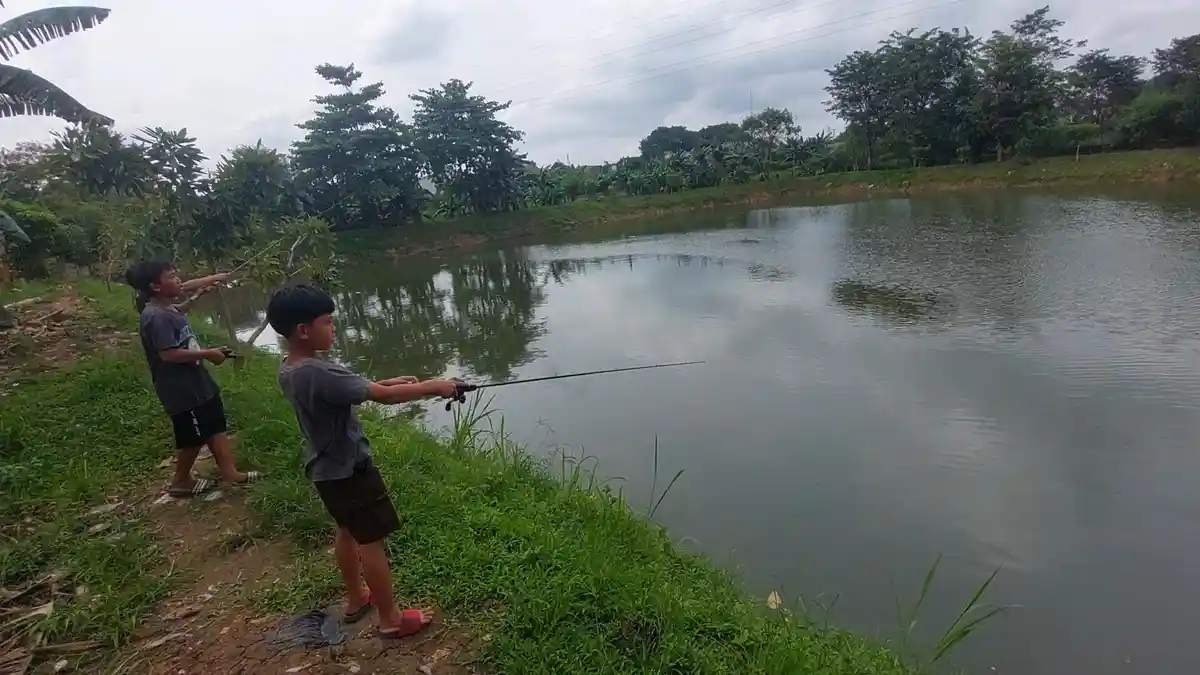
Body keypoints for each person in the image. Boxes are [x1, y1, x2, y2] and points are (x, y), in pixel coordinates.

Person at [266, 283, 466, 640]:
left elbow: (349, 390)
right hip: (349, 470)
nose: (334, 327)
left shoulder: (292, 368)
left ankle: (358, 597)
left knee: (346, 530)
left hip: (326, 470)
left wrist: (382, 383)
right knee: (370, 540)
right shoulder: (318, 371)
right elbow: (385, 398)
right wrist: (436, 385)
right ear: (303, 330)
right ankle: (391, 619)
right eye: (328, 322)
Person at [125, 260, 258, 497]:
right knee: (192, 436)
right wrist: (208, 353)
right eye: (172, 276)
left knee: (215, 423)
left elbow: (183, 301)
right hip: (180, 389)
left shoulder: (167, 308)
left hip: (196, 380)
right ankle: (180, 482)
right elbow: (168, 354)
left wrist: (204, 288)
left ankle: (231, 473)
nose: (179, 280)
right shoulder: (156, 316)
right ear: (155, 286)